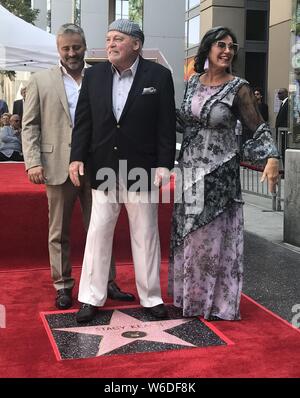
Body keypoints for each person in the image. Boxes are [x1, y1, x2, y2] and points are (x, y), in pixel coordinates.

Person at [69, 19, 176, 323]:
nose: (111, 44)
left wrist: (164, 164)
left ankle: (151, 297)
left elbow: (166, 126)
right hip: (103, 167)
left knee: (145, 235)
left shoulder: (160, 76)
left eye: (118, 39)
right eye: (108, 39)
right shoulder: (94, 76)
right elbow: (84, 122)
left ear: (136, 44)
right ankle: (90, 297)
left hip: (142, 168)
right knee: (98, 234)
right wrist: (76, 157)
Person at [169, 26, 279, 321]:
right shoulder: (192, 83)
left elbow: (257, 127)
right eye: (221, 44)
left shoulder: (238, 87)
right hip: (190, 172)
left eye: (232, 46)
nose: (227, 50)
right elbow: (184, 122)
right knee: (190, 237)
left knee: (213, 238)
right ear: (207, 49)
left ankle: (215, 304)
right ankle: (189, 300)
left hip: (220, 175)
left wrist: (272, 157)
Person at [22, 23, 134, 310]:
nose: (72, 53)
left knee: (101, 227)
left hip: (96, 166)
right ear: (58, 49)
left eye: (77, 47)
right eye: (66, 48)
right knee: (58, 231)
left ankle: (106, 282)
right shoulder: (40, 80)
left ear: (85, 46)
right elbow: (30, 125)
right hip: (56, 165)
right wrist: (33, 161)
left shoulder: (102, 76)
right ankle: (63, 286)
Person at [275, 88, 288, 168]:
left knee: (284, 151)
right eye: (278, 93)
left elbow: (286, 119)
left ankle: (286, 170)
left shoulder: (288, 103)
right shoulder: (283, 103)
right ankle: (284, 170)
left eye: (280, 93)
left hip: (284, 133)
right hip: (281, 132)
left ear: (285, 93)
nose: (278, 95)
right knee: (282, 152)